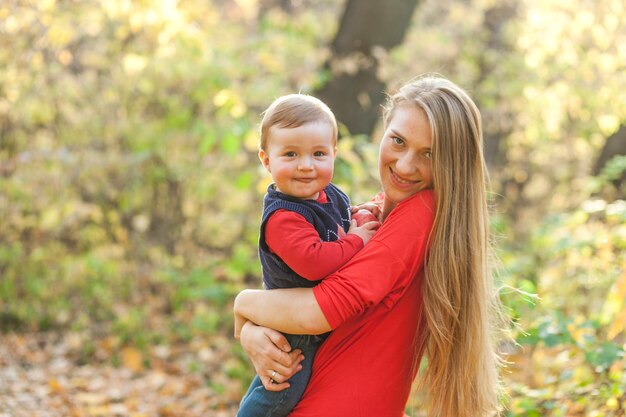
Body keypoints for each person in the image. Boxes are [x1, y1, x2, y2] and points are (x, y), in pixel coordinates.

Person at [233, 75, 504, 417]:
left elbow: (317, 312)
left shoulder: (421, 214)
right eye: (398, 141)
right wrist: (252, 333)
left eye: (429, 153)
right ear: (384, 131)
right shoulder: (372, 215)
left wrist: (243, 306)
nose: (405, 165)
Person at [236, 94, 381, 417]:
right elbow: (315, 262)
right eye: (290, 154)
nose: (306, 165)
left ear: (333, 154)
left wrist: (360, 214)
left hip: (319, 316)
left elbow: (341, 222)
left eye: (318, 154)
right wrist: (358, 240)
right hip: (292, 326)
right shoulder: (283, 217)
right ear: (266, 160)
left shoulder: (328, 193)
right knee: (281, 389)